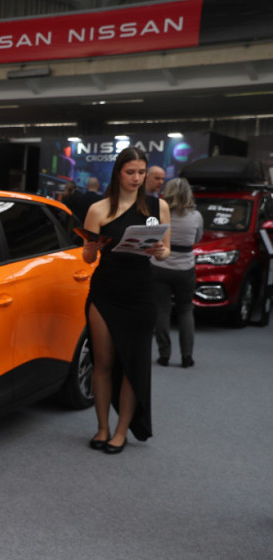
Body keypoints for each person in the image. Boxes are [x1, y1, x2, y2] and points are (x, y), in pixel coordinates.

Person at [81, 146, 170, 454]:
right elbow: (87, 257)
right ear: (118, 173)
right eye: (130, 172)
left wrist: (161, 251)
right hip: (105, 291)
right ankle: (102, 427)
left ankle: (121, 431)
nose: (136, 178)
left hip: (140, 293)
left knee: (134, 363)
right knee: (102, 362)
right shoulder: (98, 209)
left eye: (141, 172)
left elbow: (166, 251)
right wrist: (90, 249)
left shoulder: (158, 207)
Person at [151, 178, 203, 368]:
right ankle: (187, 356)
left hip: (160, 266)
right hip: (185, 269)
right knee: (186, 310)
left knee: (162, 310)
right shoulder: (196, 216)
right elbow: (197, 238)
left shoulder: (160, 214)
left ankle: (164, 355)